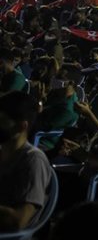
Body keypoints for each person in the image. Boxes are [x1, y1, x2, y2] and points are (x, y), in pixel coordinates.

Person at [0, 92, 51, 232]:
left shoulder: (33, 161)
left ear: (22, 127)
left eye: (2, 122)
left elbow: (18, 221)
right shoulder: (3, 151)